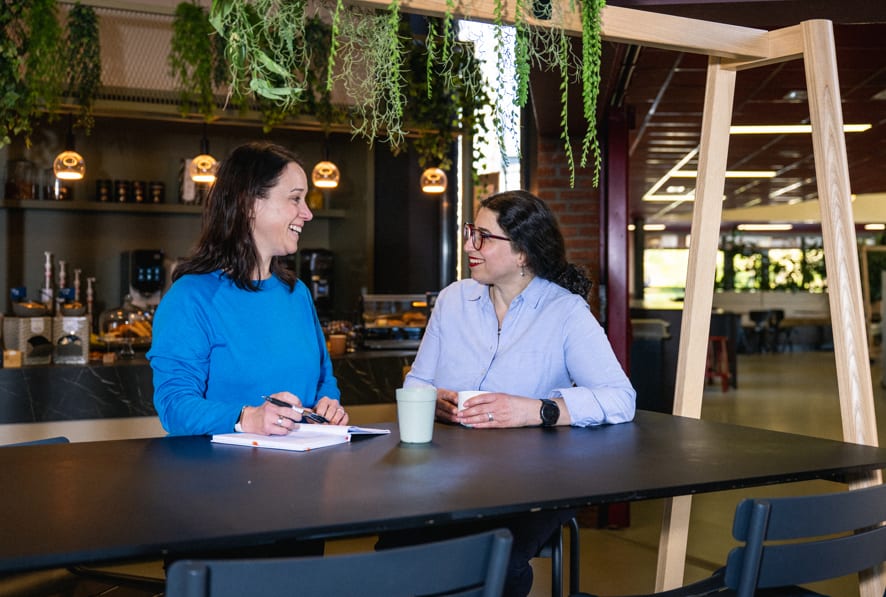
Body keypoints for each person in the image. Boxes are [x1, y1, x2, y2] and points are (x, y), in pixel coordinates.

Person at [393, 189, 636, 597]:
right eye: (470, 232)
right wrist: (434, 402)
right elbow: (417, 383)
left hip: (537, 482)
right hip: (448, 474)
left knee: (493, 561)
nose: (469, 246)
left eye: (483, 237)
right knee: (398, 548)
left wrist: (537, 410)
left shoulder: (566, 312)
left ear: (522, 252)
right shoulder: (453, 301)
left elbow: (620, 398)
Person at [148, 141, 348, 437]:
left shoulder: (297, 294)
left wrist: (327, 404)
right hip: (218, 467)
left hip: (304, 463)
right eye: (295, 199)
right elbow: (174, 406)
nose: (307, 213)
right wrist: (246, 418)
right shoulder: (190, 298)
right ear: (250, 205)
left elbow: (323, 380)